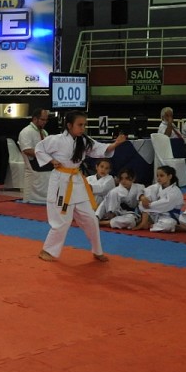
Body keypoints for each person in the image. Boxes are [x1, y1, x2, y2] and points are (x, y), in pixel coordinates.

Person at [35, 110, 127, 262]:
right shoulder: (56, 140)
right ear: (69, 125)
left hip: (77, 182)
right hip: (61, 182)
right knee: (62, 220)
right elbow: (39, 149)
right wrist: (51, 160)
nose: (83, 128)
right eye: (80, 125)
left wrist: (116, 143)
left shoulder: (83, 141)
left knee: (91, 218)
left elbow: (100, 149)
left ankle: (97, 250)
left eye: (84, 125)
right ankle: (48, 250)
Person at [133, 165, 183, 233]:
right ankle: (145, 222)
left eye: (161, 176)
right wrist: (142, 197)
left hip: (169, 216)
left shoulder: (175, 191)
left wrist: (148, 205)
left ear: (170, 176)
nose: (158, 178)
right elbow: (142, 190)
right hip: (155, 214)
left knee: (168, 225)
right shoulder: (157, 186)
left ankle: (150, 224)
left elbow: (165, 204)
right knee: (143, 201)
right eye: (157, 176)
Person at [17, 107, 52, 204]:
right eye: (42, 119)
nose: (45, 122)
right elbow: (27, 150)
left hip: (42, 160)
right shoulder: (26, 132)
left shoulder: (44, 132)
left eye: (46, 120)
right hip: (33, 161)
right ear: (35, 119)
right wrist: (46, 157)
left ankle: (51, 197)